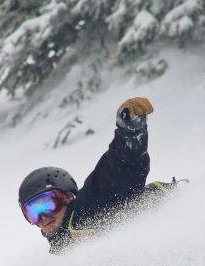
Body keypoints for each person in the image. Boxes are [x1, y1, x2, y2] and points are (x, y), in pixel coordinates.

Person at [18, 97, 173, 254]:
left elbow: (120, 170)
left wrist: (130, 132)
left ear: (67, 197)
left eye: (47, 204)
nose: (43, 217)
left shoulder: (87, 209)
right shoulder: (65, 249)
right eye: (32, 213)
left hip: (177, 227)